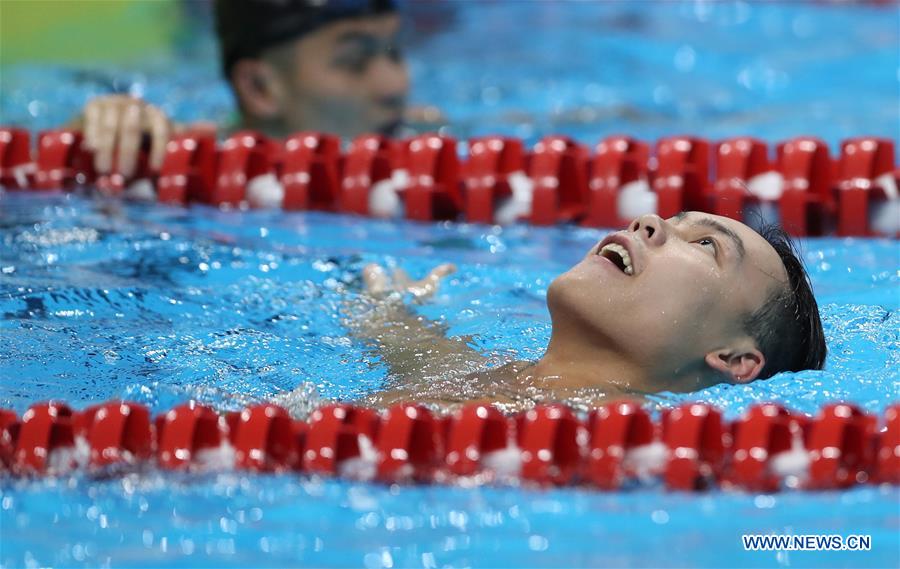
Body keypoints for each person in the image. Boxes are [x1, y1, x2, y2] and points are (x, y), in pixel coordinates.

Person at [346, 212, 826, 411]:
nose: (650, 222)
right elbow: (395, 331)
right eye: (671, 219)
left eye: (705, 245)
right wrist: (391, 305)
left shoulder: (614, 448)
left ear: (734, 358)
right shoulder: (468, 370)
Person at [77, 0, 420, 180]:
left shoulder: (426, 132)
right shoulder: (173, 161)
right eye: (355, 61)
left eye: (395, 51)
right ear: (259, 88)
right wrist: (91, 144)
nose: (397, 85)